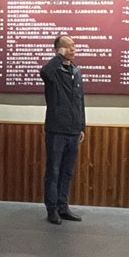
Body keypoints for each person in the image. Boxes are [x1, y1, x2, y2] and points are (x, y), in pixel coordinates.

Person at [40, 34, 86, 225]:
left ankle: (63, 206)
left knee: (67, 171)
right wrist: (59, 57)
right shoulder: (53, 71)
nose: (72, 49)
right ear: (58, 49)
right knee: (54, 171)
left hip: (73, 130)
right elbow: (44, 72)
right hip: (56, 130)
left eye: (73, 45)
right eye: (67, 46)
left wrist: (81, 126)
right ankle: (52, 209)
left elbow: (80, 100)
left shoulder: (76, 70)